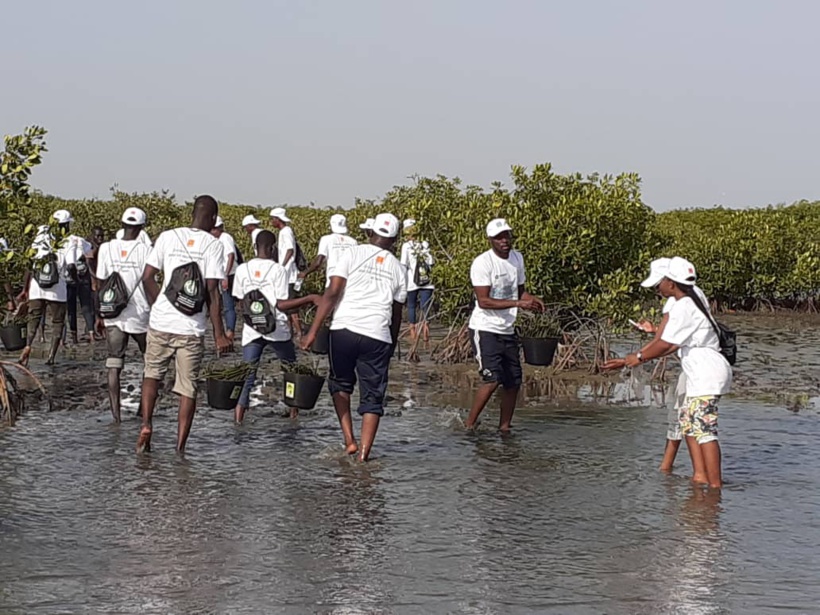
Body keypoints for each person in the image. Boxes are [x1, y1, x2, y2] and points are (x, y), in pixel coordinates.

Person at [616, 257, 731, 489]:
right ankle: (701, 480)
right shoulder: (692, 296)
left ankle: (715, 489)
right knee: (688, 423)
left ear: (671, 282)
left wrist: (637, 358)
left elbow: (666, 345)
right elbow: (671, 339)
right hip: (700, 371)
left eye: (661, 282)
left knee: (705, 430)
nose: (658, 287)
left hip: (706, 373)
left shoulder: (684, 306)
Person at [302, 213, 406, 461]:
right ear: (395, 239)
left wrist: (312, 332)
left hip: (344, 331)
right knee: (373, 396)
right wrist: (389, 347)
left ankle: (349, 440)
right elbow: (397, 314)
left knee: (340, 384)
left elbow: (332, 293)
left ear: (370, 232)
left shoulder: (351, 254)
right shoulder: (399, 269)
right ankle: (364, 455)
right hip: (378, 335)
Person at [136, 195, 232, 454]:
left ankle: (146, 424)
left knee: (152, 375)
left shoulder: (167, 237)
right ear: (213, 219)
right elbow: (212, 292)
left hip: (160, 323)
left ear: (192, 213)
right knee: (187, 388)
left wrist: (160, 303)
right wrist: (219, 334)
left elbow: (147, 277)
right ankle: (180, 448)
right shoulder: (214, 245)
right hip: (190, 329)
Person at [464, 218, 545, 431]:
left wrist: (532, 300)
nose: (504, 241)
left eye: (506, 235)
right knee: (492, 379)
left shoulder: (517, 258)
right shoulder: (483, 263)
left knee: (513, 382)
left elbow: (520, 291)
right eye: (499, 238)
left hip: (507, 329)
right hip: (485, 328)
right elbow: (484, 301)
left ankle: (505, 428)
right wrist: (519, 303)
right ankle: (469, 425)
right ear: (491, 240)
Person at [232, 231, 320, 423]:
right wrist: (309, 298)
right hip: (277, 329)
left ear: (255, 247)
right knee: (291, 371)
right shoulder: (278, 270)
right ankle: (293, 413)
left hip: (252, 328)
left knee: (247, 374)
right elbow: (281, 304)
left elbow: (239, 301)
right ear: (273, 248)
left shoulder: (242, 270)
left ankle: (238, 420)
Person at [94, 208, 151, 422]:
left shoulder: (106, 248)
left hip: (112, 312)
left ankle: (116, 417)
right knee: (150, 362)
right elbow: (149, 281)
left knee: (114, 364)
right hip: (140, 313)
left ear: (122, 224)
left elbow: (100, 282)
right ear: (141, 228)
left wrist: (99, 314)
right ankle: (143, 410)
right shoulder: (147, 250)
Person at [17, 211, 78, 366]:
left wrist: (25, 289)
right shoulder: (69, 240)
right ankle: (50, 357)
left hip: (37, 286)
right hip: (57, 289)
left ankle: (28, 345)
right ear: (65, 225)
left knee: (34, 318)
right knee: (58, 322)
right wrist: (75, 280)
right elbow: (71, 266)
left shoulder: (40, 236)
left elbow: (30, 265)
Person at [60, 213, 95, 344]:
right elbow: (89, 253)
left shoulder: (56, 243)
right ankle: (92, 336)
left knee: (70, 309)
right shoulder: (78, 239)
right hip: (82, 276)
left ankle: (72, 338)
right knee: (86, 307)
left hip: (67, 279)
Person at [399, 219, 435, 344]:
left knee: (411, 306)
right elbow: (431, 262)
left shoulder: (406, 246)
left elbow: (403, 264)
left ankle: (413, 335)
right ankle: (426, 334)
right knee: (425, 307)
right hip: (428, 281)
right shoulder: (425, 243)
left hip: (411, 282)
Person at [298, 213, 357, 287]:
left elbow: (318, 262)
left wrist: (305, 273)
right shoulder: (353, 241)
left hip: (333, 278)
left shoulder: (326, 239)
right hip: (349, 280)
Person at [270, 207, 301, 335]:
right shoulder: (284, 231)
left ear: (278, 219)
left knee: (291, 307)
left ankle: (299, 333)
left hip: (289, 275)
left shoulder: (286, 232)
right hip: (287, 275)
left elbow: (290, 250)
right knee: (288, 306)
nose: (271, 221)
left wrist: (281, 267)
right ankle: (291, 332)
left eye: (273, 219)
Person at [211, 216, 238, 341]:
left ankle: (230, 331)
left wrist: (225, 275)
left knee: (228, 304)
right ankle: (227, 329)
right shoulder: (218, 239)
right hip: (224, 274)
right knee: (224, 303)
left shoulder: (225, 237)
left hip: (230, 274)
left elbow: (230, 255)